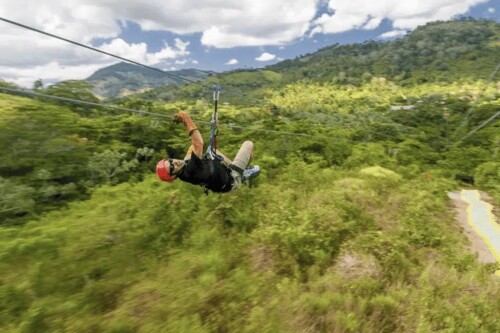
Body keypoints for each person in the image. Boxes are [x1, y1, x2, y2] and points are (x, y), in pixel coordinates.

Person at [156, 111, 260, 193]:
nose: (173, 163)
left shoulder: (185, 166)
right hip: (232, 179)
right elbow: (198, 143)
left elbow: (196, 146)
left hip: (224, 176)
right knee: (248, 144)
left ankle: (241, 170)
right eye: (171, 167)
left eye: (169, 161)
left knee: (212, 152)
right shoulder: (190, 170)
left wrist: (213, 131)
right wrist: (185, 117)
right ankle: (243, 173)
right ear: (173, 176)